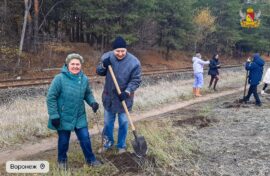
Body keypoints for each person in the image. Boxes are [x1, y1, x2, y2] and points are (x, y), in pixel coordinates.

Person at [46, 53, 101, 169]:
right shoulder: (59, 79)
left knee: (85, 138)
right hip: (63, 115)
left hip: (79, 115)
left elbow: (87, 94)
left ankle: (91, 160)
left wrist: (92, 102)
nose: (75, 66)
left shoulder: (84, 79)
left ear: (81, 65)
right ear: (67, 64)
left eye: (78, 64)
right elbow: (51, 97)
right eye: (73, 64)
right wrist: (54, 115)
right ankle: (62, 162)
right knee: (64, 141)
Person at [96, 36, 142, 154]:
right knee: (108, 123)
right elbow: (99, 72)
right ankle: (107, 143)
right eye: (117, 51)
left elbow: (136, 80)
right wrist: (103, 66)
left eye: (123, 51)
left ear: (126, 50)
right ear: (113, 50)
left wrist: (127, 92)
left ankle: (121, 145)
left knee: (124, 122)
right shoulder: (106, 57)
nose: (120, 53)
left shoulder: (134, 62)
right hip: (109, 97)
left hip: (124, 98)